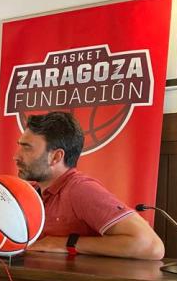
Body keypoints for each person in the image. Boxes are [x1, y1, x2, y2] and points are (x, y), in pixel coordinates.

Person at [11, 111, 164, 260]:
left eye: (26, 147)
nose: (16, 156)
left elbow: (151, 246)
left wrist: (63, 243)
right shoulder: (30, 191)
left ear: (56, 157)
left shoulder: (80, 189)